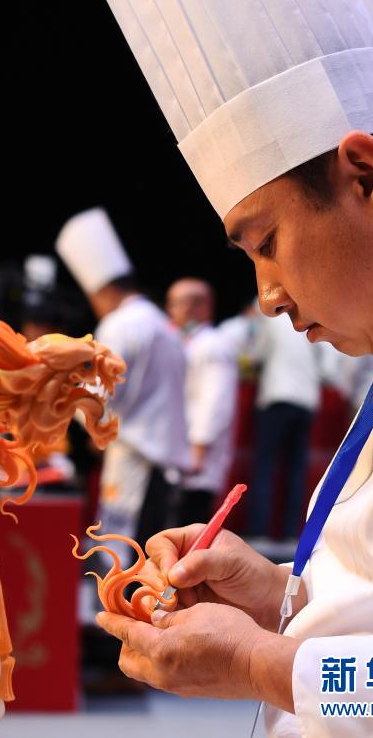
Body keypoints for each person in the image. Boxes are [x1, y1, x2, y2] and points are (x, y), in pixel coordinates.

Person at [70, 0, 373, 733]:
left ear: (364, 177)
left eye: (266, 245)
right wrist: (281, 599)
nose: (266, 296)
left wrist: (255, 662)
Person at [56, 208, 189, 563]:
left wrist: (71, 406)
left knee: (123, 560)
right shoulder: (161, 323)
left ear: (100, 291)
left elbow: (97, 398)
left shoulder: (119, 325)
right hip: (165, 464)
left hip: (136, 461)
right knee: (153, 558)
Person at [166, 278, 238, 525]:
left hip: (197, 457)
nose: (171, 311)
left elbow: (216, 402)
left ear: (194, 306)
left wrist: (198, 449)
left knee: (188, 524)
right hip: (180, 452)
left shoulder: (213, 345)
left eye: (174, 304)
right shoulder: (186, 341)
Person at [245, 305, 321, 540]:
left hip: (277, 396)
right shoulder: (313, 317)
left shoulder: (270, 318)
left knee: (265, 466)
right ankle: (291, 532)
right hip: (306, 399)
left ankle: (259, 531)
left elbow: (255, 355)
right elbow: (328, 367)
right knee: (296, 470)